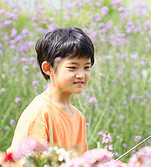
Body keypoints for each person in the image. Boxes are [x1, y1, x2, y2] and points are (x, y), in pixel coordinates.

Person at [7, 27, 95, 156]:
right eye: (73, 67)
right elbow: (23, 165)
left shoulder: (78, 117)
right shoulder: (40, 113)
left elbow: (81, 166)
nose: (81, 75)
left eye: (86, 67)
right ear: (48, 68)